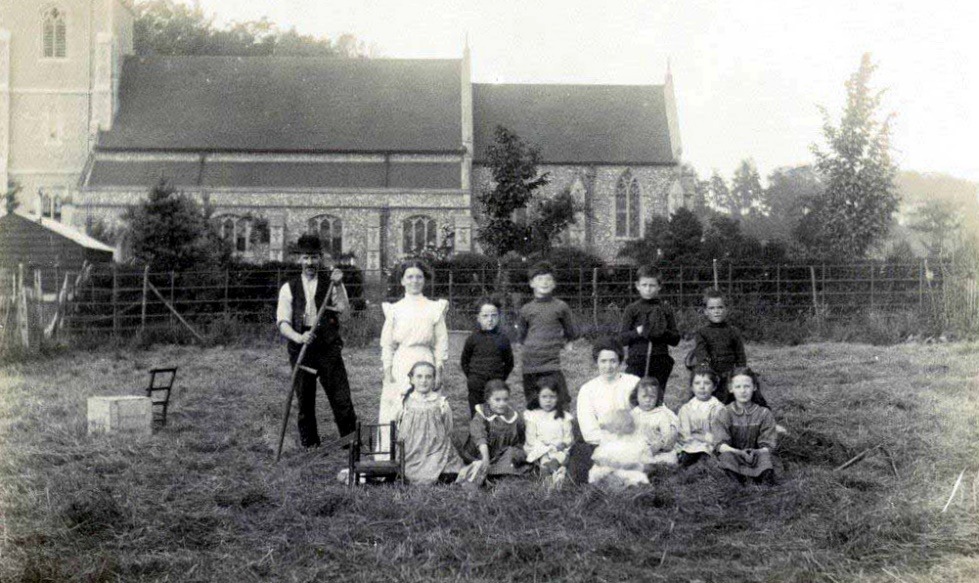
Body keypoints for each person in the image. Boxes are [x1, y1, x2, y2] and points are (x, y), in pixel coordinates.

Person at [275, 233, 357, 449]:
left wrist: (339, 286)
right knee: (305, 399)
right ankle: (310, 444)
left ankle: (350, 443)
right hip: (301, 346)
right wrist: (299, 337)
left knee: (341, 397)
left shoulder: (331, 283)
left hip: (328, 346)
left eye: (314, 257)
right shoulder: (288, 288)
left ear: (320, 258)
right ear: (299, 260)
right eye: (305, 258)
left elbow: (345, 312)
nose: (310, 262)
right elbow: (282, 323)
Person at [379, 260, 449, 436]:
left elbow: (441, 342)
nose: (414, 281)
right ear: (402, 281)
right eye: (409, 277)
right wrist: (388, 372)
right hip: (402, 361)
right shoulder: (394, 309)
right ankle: (394, 452)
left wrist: (439, 370)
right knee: (397, 405)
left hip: (425, 360)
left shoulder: (434, 308)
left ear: (424, 280)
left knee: (426, 404)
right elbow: (387, 344)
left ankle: (426, 452)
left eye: (419, 277)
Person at [568, 337, 638, 484]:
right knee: (580, 455)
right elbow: (589, 431)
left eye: (613, 361)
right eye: (603, 361)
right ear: (596, 362)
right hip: (600, 444)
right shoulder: (588, 390)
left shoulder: (633, 383)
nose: (608, 366)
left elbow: (645, 413)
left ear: (619, 361)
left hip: (629, 441)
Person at [516, 262, 579, 410]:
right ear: (531, 283)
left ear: (554, 283)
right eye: (539, 279)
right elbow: (521, 336)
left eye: (548, 279)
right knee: (534, 403)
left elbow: (571, 331)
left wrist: (567, 342)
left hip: (552, 364)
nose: (544, 282)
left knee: (561, 401)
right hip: (530, 366)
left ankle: (562, 430)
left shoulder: (561, 307)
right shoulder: (526, 309)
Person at [619, 265, 680, 406]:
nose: (648, 289)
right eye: (644, 285)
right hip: (636, 360)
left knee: (656, 398)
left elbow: (676, 339)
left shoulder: (665, 309)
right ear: (637, 286)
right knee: (633, 396)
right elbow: (622, 339)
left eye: (652, 285)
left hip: (660, 361)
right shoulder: (632, 309)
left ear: (659, 286)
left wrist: (662, 331)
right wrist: (639, 331)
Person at [397, 361, 464, 485]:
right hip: (413, 450)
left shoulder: (441, 403)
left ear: (434, 380)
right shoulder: (404, 402)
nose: (424, 381)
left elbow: (448, 428)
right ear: (411, 379)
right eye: (419, 376)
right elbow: (398, 427)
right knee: (408, 473)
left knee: (450, 472)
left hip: (437, 449)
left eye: (428, 377)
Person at [712, 367, 779, 485]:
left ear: (754, 387)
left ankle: (763, 481)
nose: (743, 391)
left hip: (757, 455)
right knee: (726, 457)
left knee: (767, 459)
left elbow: (768, 444)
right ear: (731, 389)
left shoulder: (764, 413)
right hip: (734, 454)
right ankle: (737, 483)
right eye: (738, 387)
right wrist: (737, 452)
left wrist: (756, 452)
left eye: (747, 386)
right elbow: (720, 444)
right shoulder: (724, 413)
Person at [458, 380, 529, 488]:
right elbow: (480, 436)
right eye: (497, 400)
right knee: (476, 466)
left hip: (502, 453)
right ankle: (489, 474)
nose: (502, 404)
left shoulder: (513, 416)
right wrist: (485, 457)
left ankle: (499, 473)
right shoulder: (481, 415)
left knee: (513, 456)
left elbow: (520, 437)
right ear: (488, 400)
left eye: (505, 400)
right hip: (481, 453)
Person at [689, 289, 751, 404]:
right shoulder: (702, 332)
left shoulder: (733, 331)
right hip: (712, 373)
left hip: (730, 374)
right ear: (706, 311)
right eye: (712, 308)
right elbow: (702, 353)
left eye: (720, 307)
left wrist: (740, 373)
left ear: (726, 309)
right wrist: (706, 371)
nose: (716, 311)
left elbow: (740, 356)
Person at [460, 297, 515, 417]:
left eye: (493, 315)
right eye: (485, 316)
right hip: (476, 384)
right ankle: (475, 435)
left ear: (498, 317)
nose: (490, 319)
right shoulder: (472, 339)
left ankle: (495, 434)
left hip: (496, 383)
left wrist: (500, 378)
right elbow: (464, 361)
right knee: (477, 412)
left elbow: (509, 363)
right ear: (478, 318)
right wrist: (473, 377)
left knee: (495, 412)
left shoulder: (503, 339)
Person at [523, 379, 575, 485]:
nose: (548, 401)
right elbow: (531, 438)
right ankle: (548, 474)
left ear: (558, 398)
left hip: (558, 448)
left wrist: (564, 443)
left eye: (552, 397)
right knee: (544, 459)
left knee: (560, 457)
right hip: (541, 448)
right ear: (538, 397)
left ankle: (558, 473)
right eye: (544, 397)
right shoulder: (533, 416)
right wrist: (543, 448)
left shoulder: (563, 416)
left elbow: (568, 437)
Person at [588, 410, 654, 488]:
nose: (628, 427)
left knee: (637, 475)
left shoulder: (637, 440)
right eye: (618, 426)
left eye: (629, 425)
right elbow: (599, 457)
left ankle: (629, 485)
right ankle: (608, 483)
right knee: (601, 471)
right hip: (612, 467)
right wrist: (606, 462)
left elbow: (645, 457)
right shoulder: (610, 439)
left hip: (630, 467)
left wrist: (637, 464)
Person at [676, 365, 726, 467]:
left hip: (710, 443)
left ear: (714, 387)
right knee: (686, 452)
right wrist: (692, 436)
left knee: (705, 451)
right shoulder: (687, 408)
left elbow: (718, 434)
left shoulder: (718, 408)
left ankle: (701, 463)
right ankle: (687, 464)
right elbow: (685, 433)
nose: (702, 387)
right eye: (697, 383)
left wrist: (701, 436)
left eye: (707, 383)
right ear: (692, 387)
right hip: (690, 443)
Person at [629, 377, 680, 467]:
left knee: (668, 459)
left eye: (652, 397)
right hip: (638, 446)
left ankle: (651, 464)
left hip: (657, 449)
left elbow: (666, 436)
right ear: (637, 396)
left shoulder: (661, 415)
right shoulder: (634, 413)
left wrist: (659, 445)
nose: (648, 400)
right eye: (644, 396)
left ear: (657, 398)